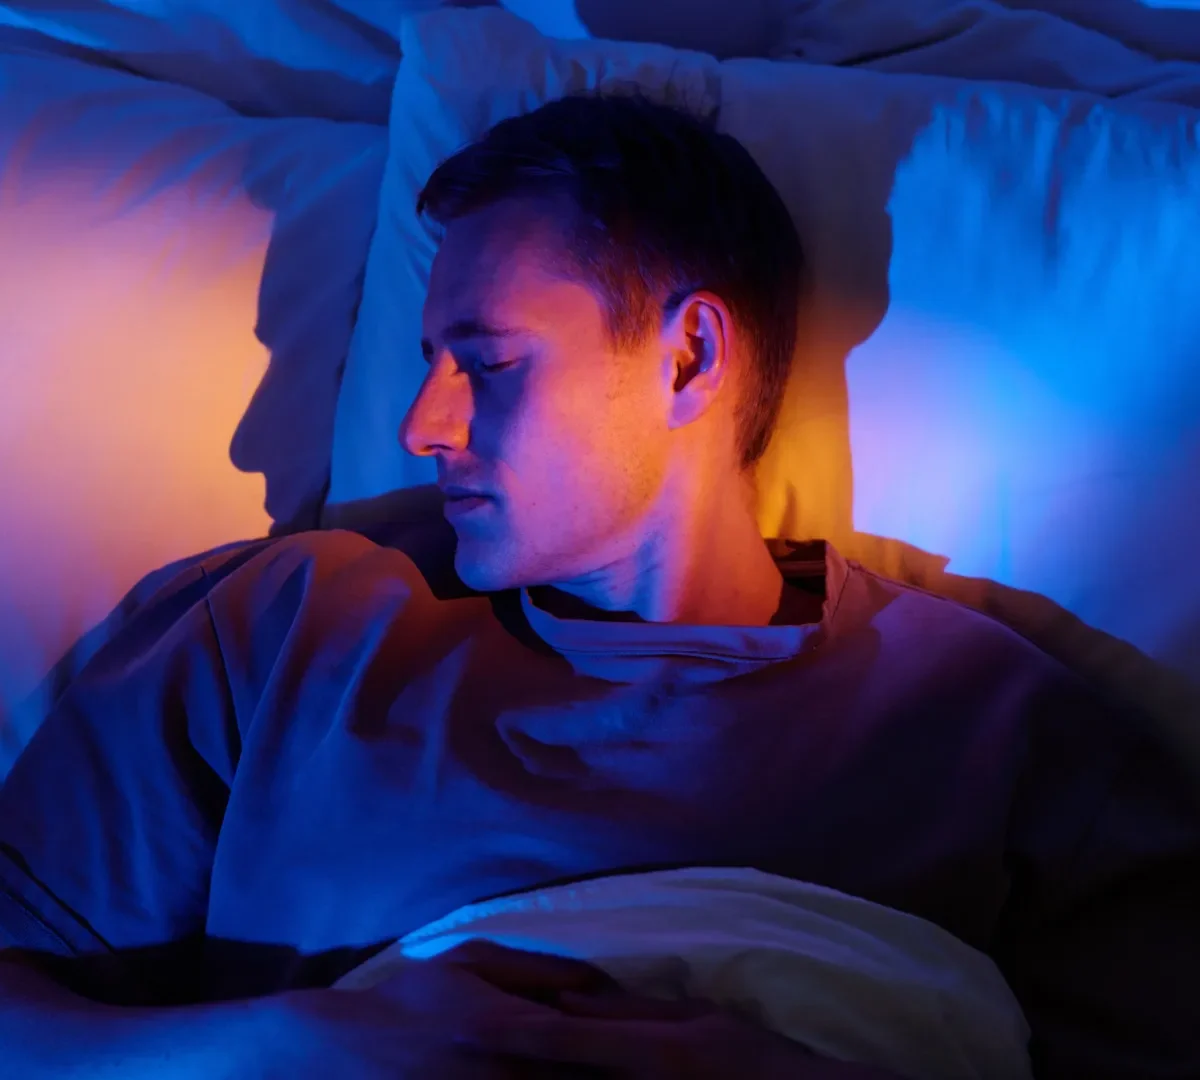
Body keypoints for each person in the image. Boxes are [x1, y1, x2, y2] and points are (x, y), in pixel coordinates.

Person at [0, 92, 1196, 1080]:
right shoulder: (283, 634)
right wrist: (298, 1045)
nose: (422, 426)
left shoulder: (996, 724)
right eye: (428, 362)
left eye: (488, 363)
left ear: (689, 358)